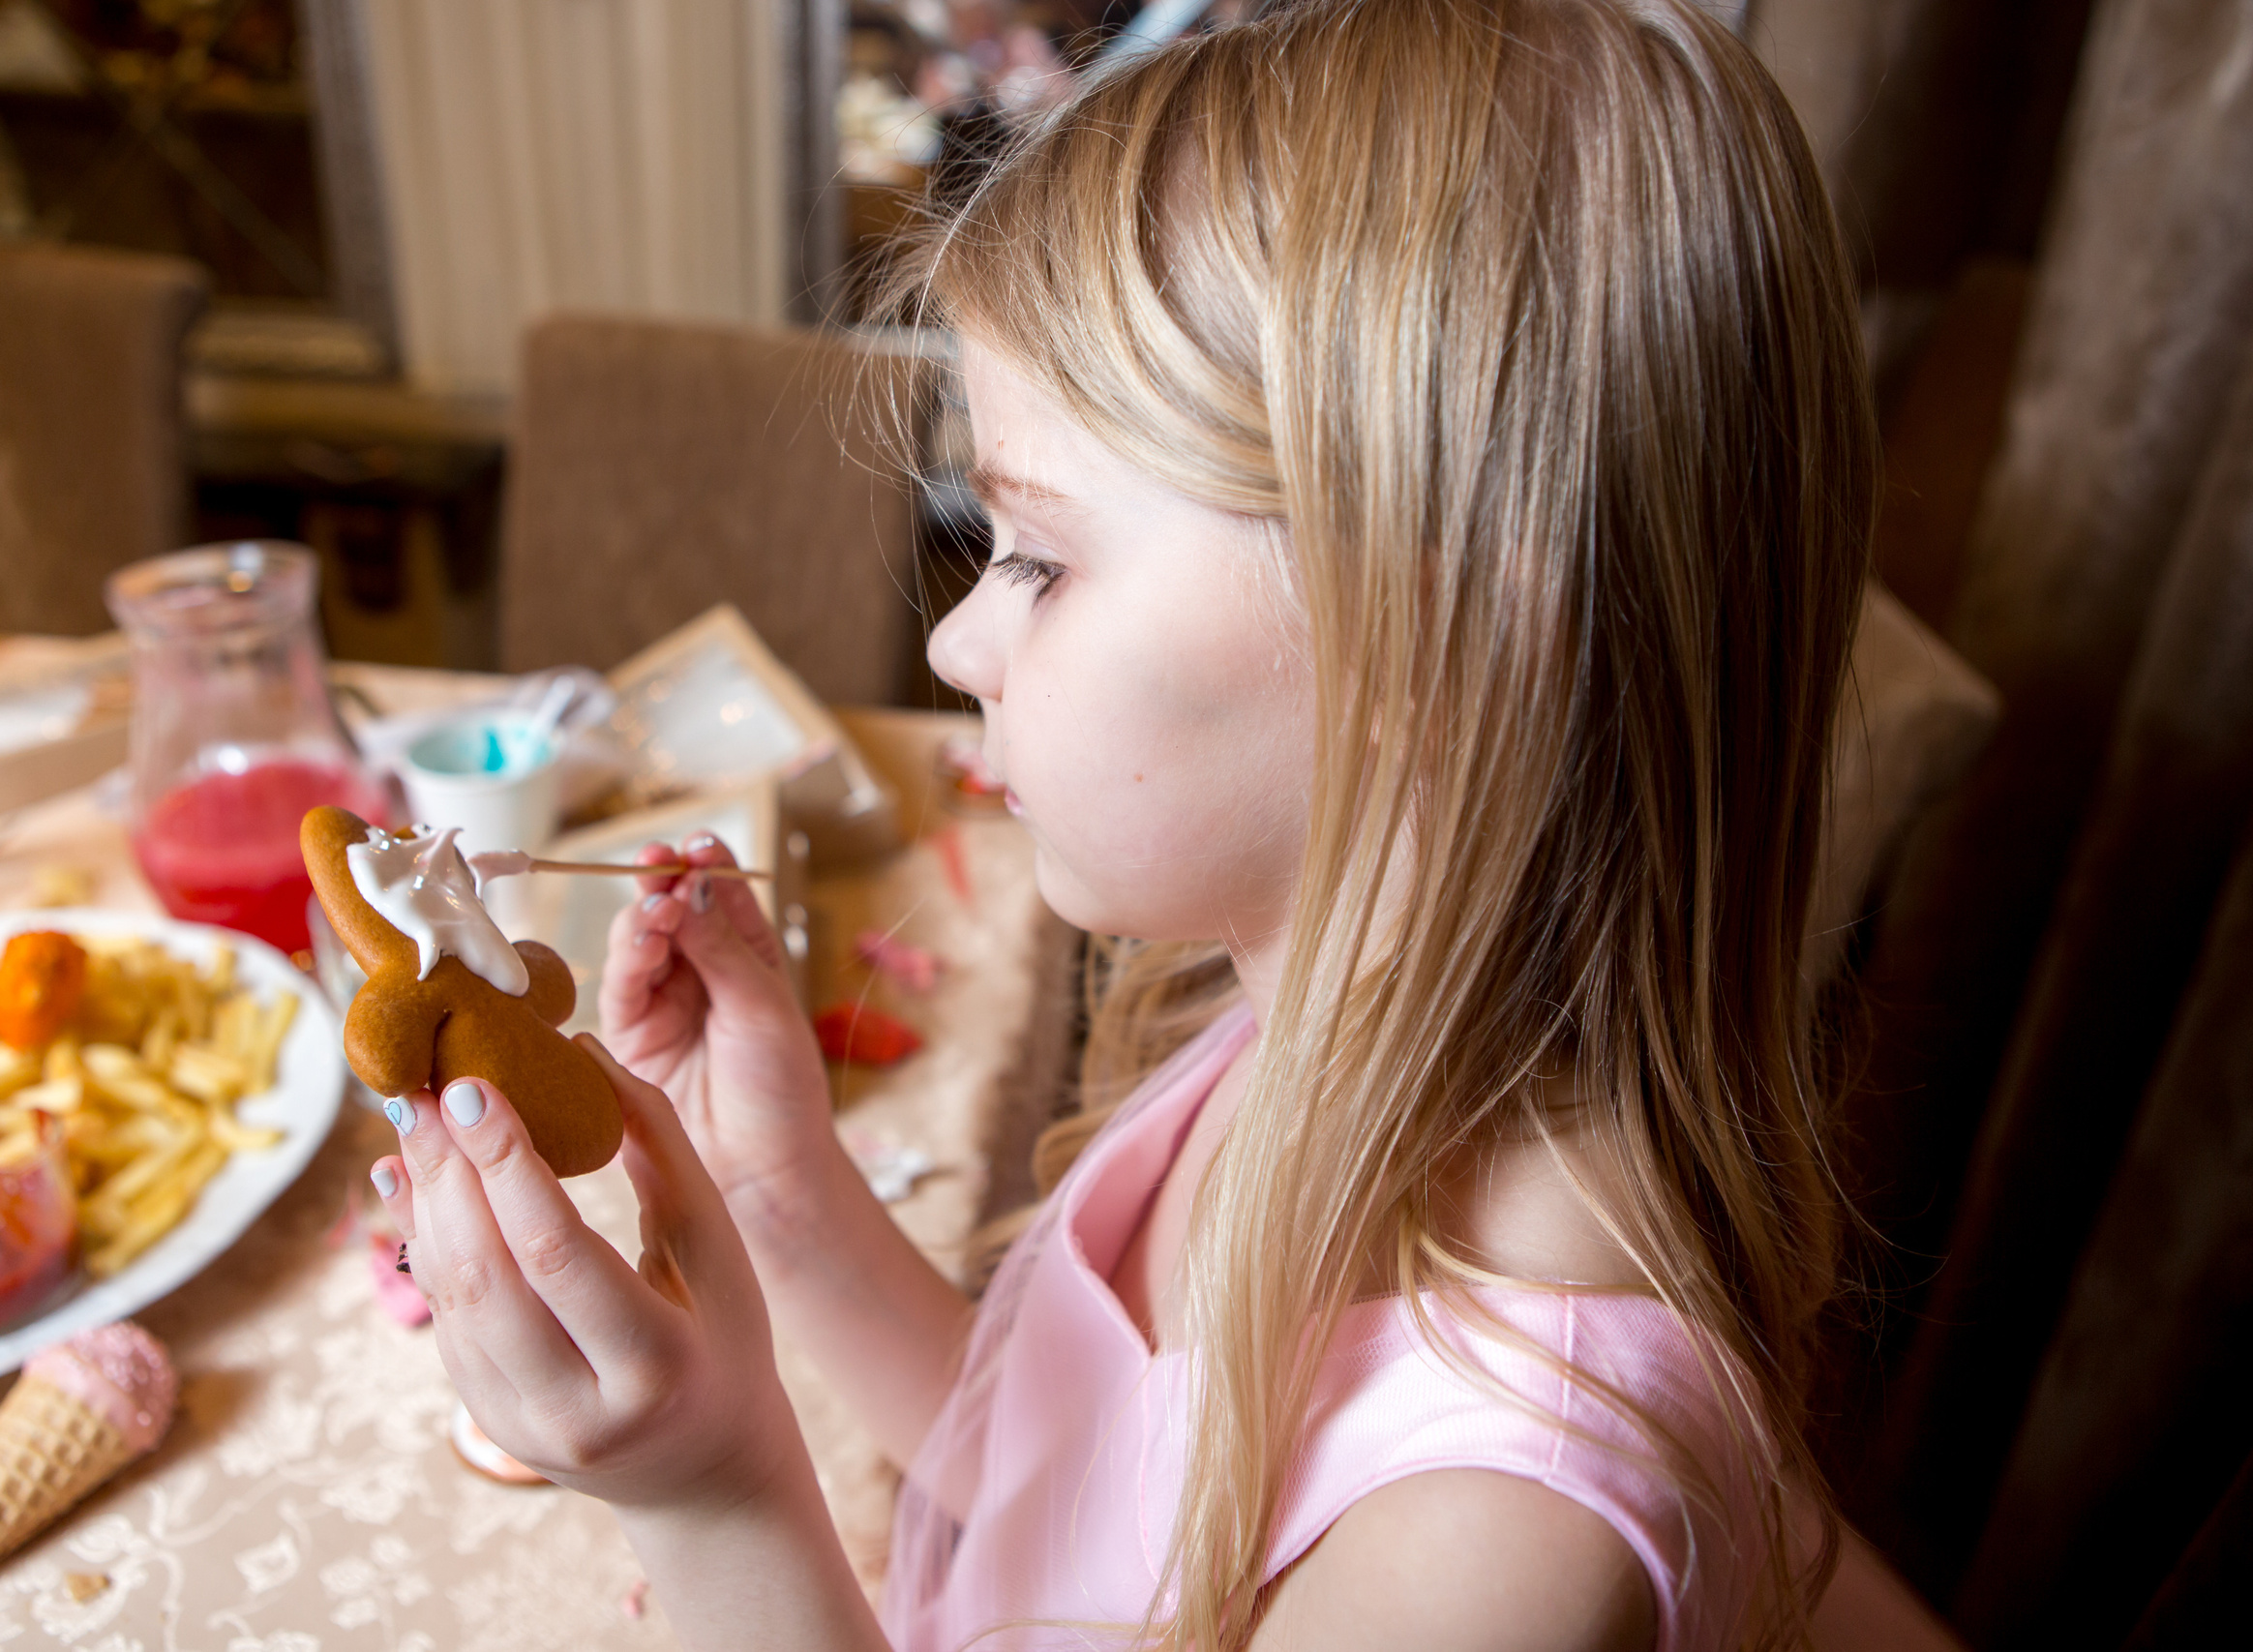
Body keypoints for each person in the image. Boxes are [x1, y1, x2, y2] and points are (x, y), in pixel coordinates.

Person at [366, 3, 1954, 1647]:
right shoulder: (1312, 1036)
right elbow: (1064, 1494)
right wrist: (782, 1189)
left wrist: (715, 1503)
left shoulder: (1489, 1554)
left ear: (1433, 652)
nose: (953, 645)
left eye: (1040, 558)